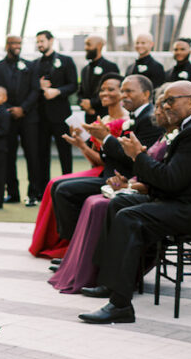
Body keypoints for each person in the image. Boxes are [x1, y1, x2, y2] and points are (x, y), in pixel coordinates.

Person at [79, 81, 191, 324]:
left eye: (171, 100)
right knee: (120, 204)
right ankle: (111, 282)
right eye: (163, 101)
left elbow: (172, 180)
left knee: (129, 216)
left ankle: (120, 305)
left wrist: (138, 156)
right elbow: (175, 177)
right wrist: (138, 184)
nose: (165, 106)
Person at [50, 103, 177, 294]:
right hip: (136, 184)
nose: (157, 111)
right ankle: (82, 261)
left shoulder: (175, 135)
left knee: (110, 205)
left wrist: (132, 182)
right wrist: (128, 183)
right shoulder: (164, 135)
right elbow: (149, 170)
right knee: (92, 201)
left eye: (163, 107)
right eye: (158, 107)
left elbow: (165, 176)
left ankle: (108, 279)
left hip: (165, 199)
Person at [53, 74, 163, 241]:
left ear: (146, 94)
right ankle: (71, 247)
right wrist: (97, 141)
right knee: (58, 186)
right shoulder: (135, 116)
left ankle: (75, 245)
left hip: (125, 179)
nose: (124, 95)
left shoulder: (149, 118)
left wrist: (106, 138)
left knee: (64, 191)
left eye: (129, 91)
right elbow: (108, 157)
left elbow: (135, 158)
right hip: (112, 173)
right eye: (123, 91)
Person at [28, 74, 127, 259]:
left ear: (123, 93)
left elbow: (108, 161)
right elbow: (98, 159)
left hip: (115, 176)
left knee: (61, 188)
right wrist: (81, 144)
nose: (104, 92)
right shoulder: (103, 119)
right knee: (55, 183)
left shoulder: (125, 123)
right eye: (103, 89)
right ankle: (67, 244)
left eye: (110, 89)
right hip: (101, 168)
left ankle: (74, 247)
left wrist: (91, 143)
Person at [0, 35, 40, 204]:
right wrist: (8, 110)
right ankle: (13, 193)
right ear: (6, 45)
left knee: (32, 155)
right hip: (7, 119)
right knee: (8, 157)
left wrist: (22, 108)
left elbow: (35, 90)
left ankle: (33, 194)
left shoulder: (30, 66)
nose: (16, 46)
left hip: (28, 118)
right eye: (13, 43)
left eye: (19, 43)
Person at [34, 30, 78, 204]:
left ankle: (68, 188)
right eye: (37, 42)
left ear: (51, 41)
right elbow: (30, 88)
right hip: (40, 117)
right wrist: (39, 86)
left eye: (42, 41)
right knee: (41, 155)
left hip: (60, 115)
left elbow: (74, 84)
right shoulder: (34, 64)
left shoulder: (66, 61)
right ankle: (43, 191)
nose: (40, 44)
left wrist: (57, 91)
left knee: (64, 153)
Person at [77, 35, 119, 122]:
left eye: (88, 44)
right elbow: (80, 91)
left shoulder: (111, 67)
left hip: (105, 115)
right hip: (88, 116)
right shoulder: (85, 69)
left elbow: (114, 91)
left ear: (99, 46)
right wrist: (84, 105)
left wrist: (92, 104)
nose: (86, 48)